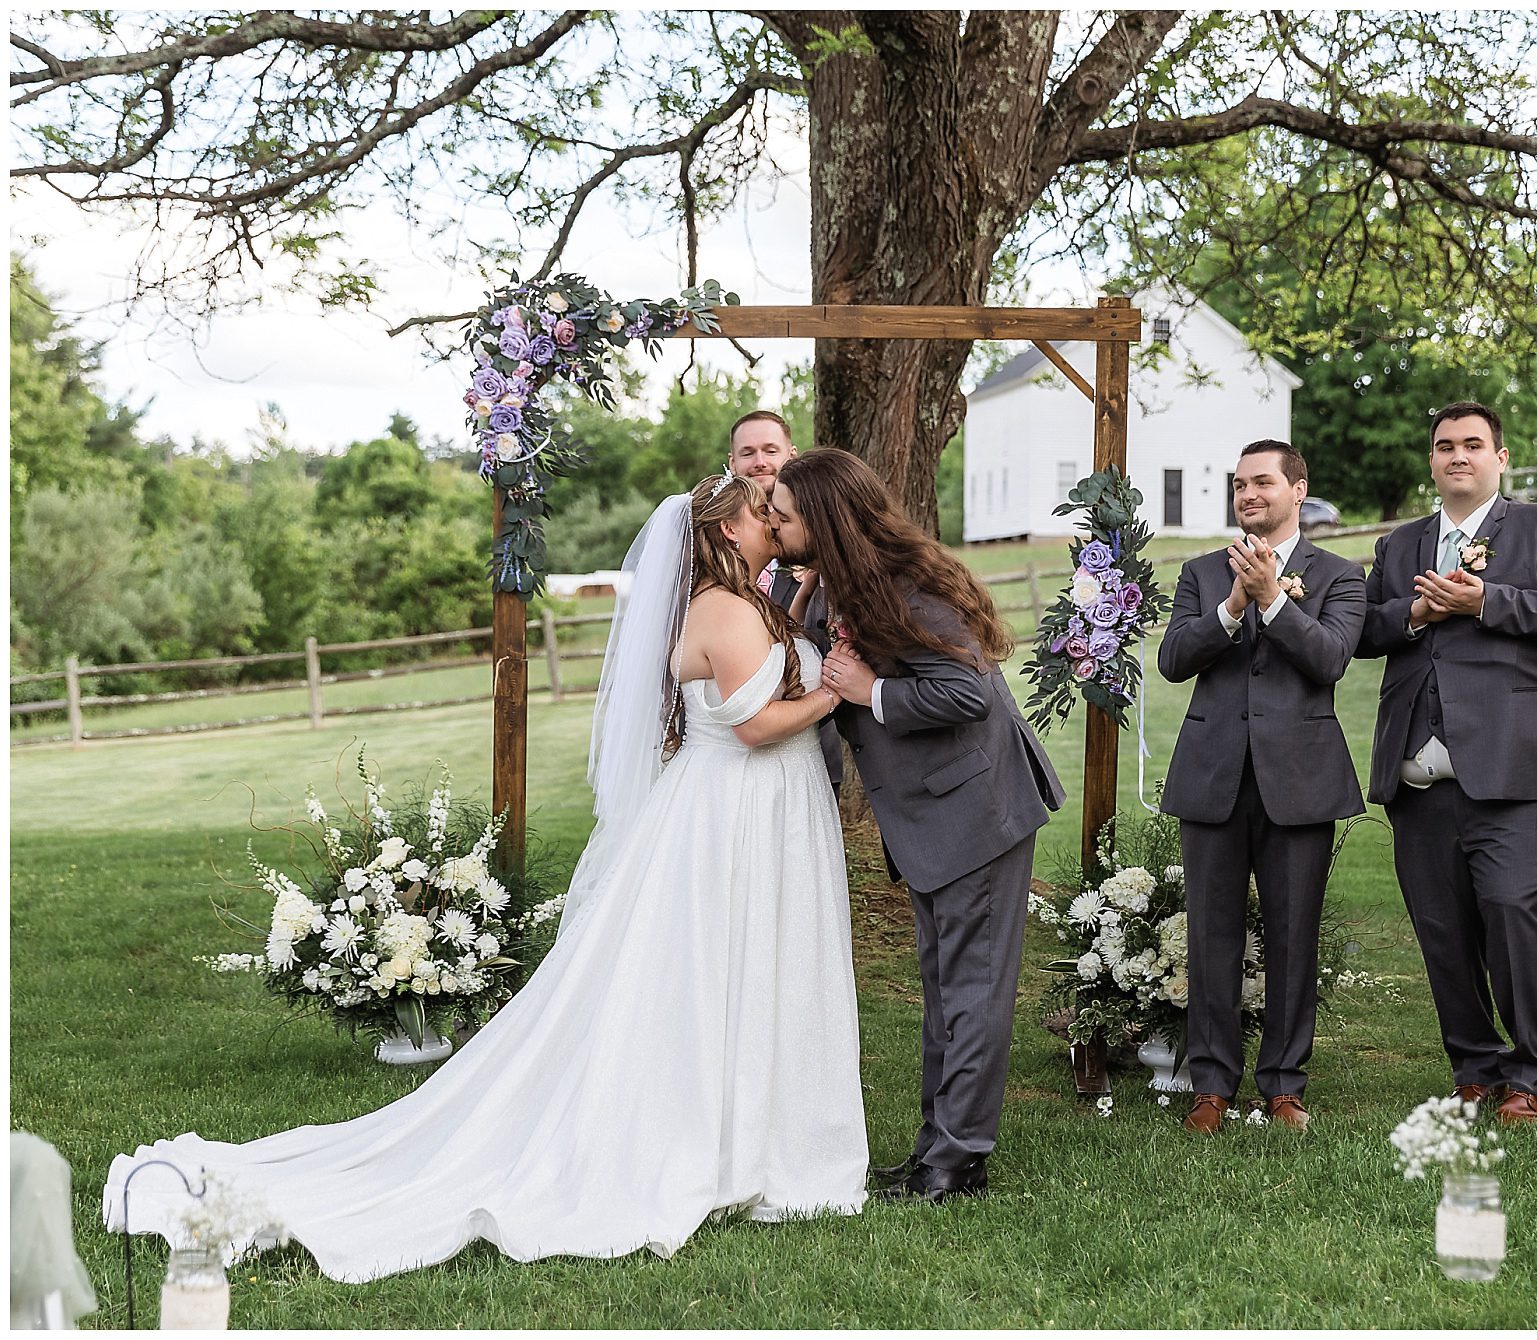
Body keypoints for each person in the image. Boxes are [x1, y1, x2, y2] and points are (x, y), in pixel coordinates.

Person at [104, 474, 868, 1281]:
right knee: (725, 967)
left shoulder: (752, 599)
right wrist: (831, 694)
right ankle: (723, 1142)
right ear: (721, 533)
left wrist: (813, 593)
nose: (772, 523)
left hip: (760, 811)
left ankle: (760, 1132)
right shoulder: (724, 607)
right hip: (737, 811)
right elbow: (753, 727)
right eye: (759, 514)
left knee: (749, 969)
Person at [769, 448, 1063, 1205]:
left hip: (976, 810)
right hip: (934, 815)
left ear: (826, 522)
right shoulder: (843, 580)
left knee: (972, 993)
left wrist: (873, 693)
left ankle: (959, 1162)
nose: (774, 524)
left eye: (785, 515)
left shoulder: (901, 587)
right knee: (944, 990)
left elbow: (965, 692)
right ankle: (937, 1148)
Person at [1357, 400, 1537, 1125]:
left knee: (1511, 915)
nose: (1457, 456)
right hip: (1419, 774)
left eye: (1472, 444)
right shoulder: (1401, 545)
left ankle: (1531, 1072)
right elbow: (1366, 631)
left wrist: (1484, 601)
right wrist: (1416, 615)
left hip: (1515, 771)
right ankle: (1474, 1066)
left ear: (1501, 458)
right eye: (1444, 446)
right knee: (1441, 929)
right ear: (1432, 461)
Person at [1156, 439, 1367, 1135]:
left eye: (1263, 482)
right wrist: (1229, 608)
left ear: (1297, 490)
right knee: (1211, 937)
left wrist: (1273, 599)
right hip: (1212, 776)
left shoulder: (1338, 573)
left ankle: (1283, 1086)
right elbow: (1174, 659)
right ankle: (1211, 1085)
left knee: (1291, 936)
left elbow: (1330, 659)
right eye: (1240, 485)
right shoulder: (1199, 572)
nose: (1249, 494)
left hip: (1299, 780)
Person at [729, 409, 844, 790]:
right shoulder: (708, 551)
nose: (759, 461)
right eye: (748, 452)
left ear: (791, 456)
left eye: (769, 450)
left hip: (809, 738)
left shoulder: (823, 542)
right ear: (732, 463)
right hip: (733, 746)